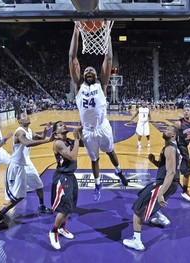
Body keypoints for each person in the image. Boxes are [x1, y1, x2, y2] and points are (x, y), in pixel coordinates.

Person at [69, 24, 128, 202]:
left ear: (96, 74)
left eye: (91, 71)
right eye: (86, 70)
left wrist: (107, 34)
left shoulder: (101, 84)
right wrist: (76, 30)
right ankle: (97, 184)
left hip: (103, 127)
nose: (88, 71)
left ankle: (119, 172)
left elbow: (108, 58)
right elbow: (72, 57)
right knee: (95, 160)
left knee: (110, 152)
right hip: (87, 131)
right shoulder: (78, 85)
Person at [0, 113, 54, 229]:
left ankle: (42, 206)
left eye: (27, 116)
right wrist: (47, 141)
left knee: (39, 185)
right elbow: (27, 143)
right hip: (17, 166)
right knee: (18, 196)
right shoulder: (19, 132)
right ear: (19, 120)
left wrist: (45, 131)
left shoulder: (29, 130)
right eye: (24, 116)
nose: (27, 117)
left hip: (26, 163)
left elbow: (39, 138)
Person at [123, 125, 181, 251]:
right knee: (143, 194)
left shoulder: (170, 148)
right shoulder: (170, 148)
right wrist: (154, 161)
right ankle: (161, 218)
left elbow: (171, 172)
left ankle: (137, 241)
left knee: (138, 209)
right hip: (167, 182)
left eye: (168, 130)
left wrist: (161, 193)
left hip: (165, 182)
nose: (164, 131)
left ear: (173, 135)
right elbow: (165, 166)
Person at [48, 121, 81, 250]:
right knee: (64, 207)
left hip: (70, 176)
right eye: (60, 125)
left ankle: (62, 228)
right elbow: (72, 157)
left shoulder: (69, 141)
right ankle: (53, 231)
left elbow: (84, 143)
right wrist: (77, 139)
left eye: (64, 124)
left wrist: (81, 132)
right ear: (56, 132)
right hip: (62, 177)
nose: (64, 126)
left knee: (71, 205)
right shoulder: (58, 143)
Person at [174, 105, 190, 202]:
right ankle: (184, 192)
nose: (186, 112)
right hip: (180, 148)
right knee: (187, 171)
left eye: (188, 110)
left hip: (185, 148)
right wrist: (174, 148)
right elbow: (171, 135)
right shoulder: (179, 123)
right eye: (184, 110)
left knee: (172, 171)